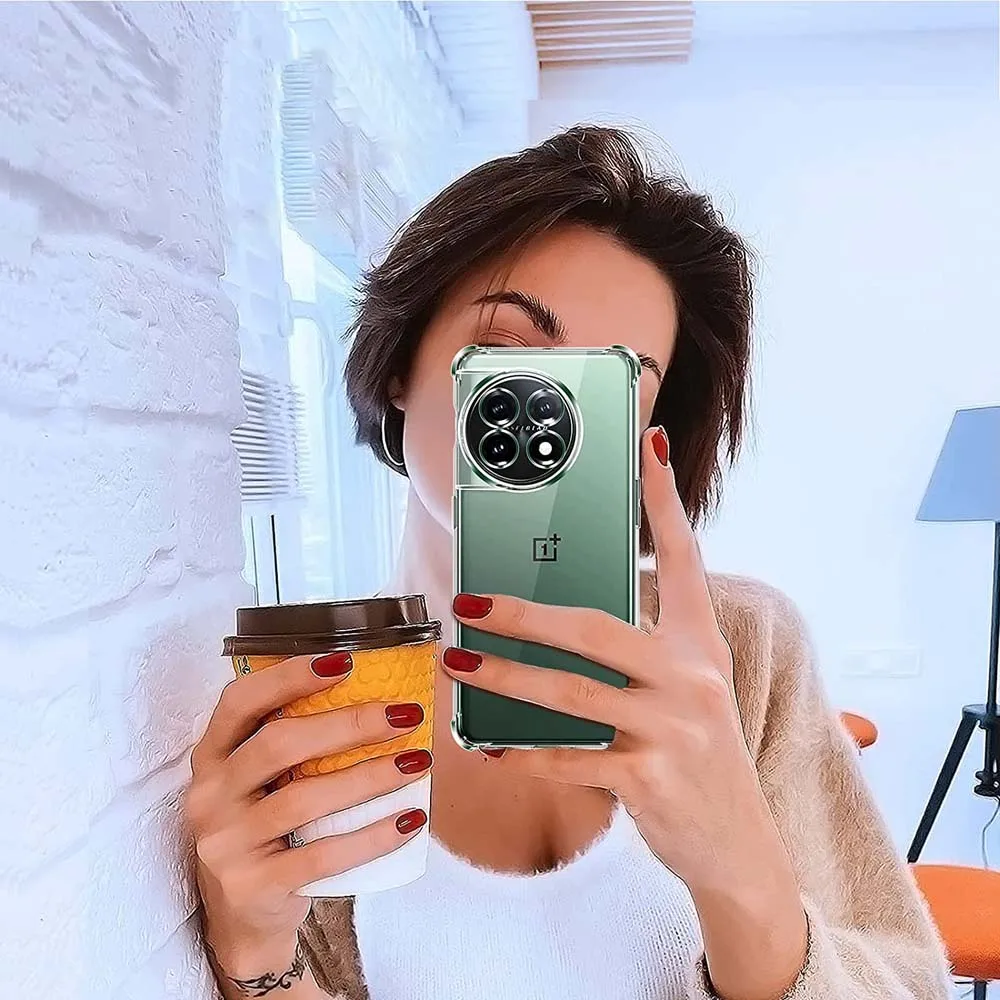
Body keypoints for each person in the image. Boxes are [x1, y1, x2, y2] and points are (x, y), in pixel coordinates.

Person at [186, 126, 953, 1000]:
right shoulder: (326, 692)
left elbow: (908, 983)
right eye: (510, 355)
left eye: (614, 387)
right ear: (402, 365)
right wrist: (256, 960)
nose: (551, 424)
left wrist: (741, 867)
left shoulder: (744, 651)